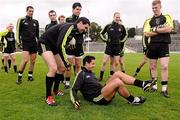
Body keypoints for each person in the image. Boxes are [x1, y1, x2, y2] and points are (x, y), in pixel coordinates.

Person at [38, 17, 90, 106]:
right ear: (80, 23)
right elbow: (60, 45)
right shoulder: (69, 27)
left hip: (53, 46)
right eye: (85, 27)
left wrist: (70, 43)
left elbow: (62, 43)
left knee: (61, 68)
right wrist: (66, 62)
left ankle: (55, 90)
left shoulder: (75, 31)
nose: (85, 30)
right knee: (53, 68)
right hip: (44, 43)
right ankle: (48, 96)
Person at [70, 55, 155, 109]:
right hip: (97, 98)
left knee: (117, 73)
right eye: (92, 64)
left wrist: (108, 83)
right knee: (117, 81)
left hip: (102, 91)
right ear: (86, 64)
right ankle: (132, 100)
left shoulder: (91, 73)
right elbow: (73, 89)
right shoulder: (81, 74)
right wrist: (75, 101)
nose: (94, 65)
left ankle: (143, 84)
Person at [144, 0, 173, 98]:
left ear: (160, 7)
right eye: (152, 8)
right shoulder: (149, 20)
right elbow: (147, 33)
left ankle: (164, 89)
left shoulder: (167, 17)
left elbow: (169, 29)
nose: (154, 10)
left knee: (164, 66)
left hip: (163, 45)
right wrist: (162, 29)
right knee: (153, 66)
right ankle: (155, 86)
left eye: (156, 8)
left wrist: (155, 29)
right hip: (152, 45)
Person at [99, 12, 127, 81]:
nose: (118, 19)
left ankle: (111, 76)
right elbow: (101, 33)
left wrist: (122, 41)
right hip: (109, 47)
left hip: (117, 47)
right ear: (113, 17)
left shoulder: (121, 26)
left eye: (119, 17)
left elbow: (126, 35)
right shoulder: (108, 25)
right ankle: (100, 77)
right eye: (116, 17)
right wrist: (105, 40)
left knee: (116, 63)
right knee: (104, 62)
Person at [16, 6, 39, 84]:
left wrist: (38, 43)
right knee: (25, 60)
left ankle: (30, 76)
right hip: (25, 43)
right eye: (30, 11)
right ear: (26, 11)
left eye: (32, 11)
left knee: (33, 61)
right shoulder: (21, 20)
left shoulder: (36, 21)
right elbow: (17, 31)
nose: (31, 12)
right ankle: (19, 77)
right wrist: (18, 42)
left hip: (34, 44)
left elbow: (37, 34)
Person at [64, 2, 83, 89]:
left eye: (80, 9)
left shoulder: (82, 20)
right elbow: (65, 31)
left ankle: (77, 82)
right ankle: (67, 82)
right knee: (69, 66)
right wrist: (71, 38)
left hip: (79, 45)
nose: (78, 11)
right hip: (70, 46)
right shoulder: (68, 19)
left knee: (78, 66)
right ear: (73, 9)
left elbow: (84, 30)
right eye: (77, 9)